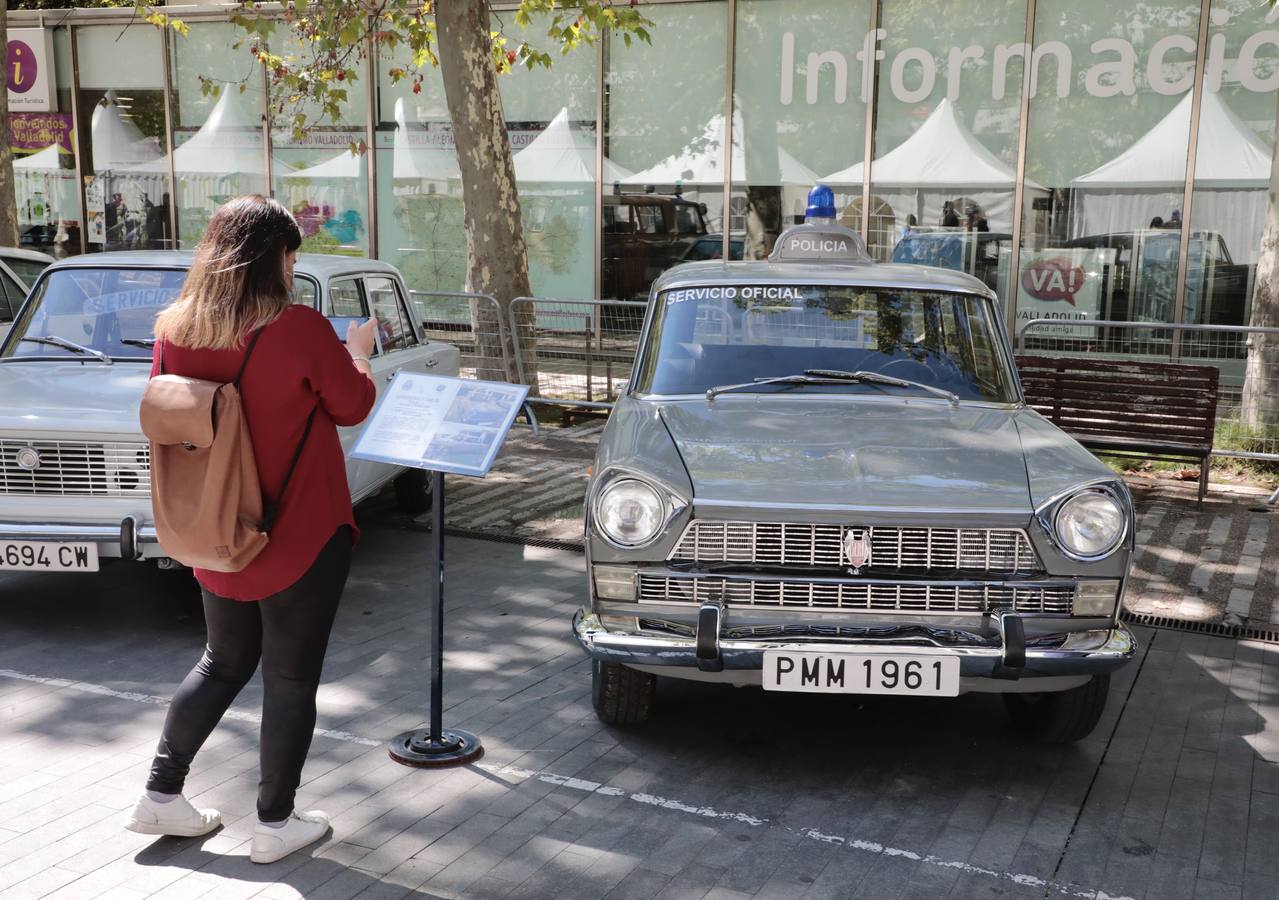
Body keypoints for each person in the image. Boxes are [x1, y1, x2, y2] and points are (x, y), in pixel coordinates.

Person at [124, 195, 378, 865]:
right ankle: (273, 823)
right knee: (290, 679)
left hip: (215, 526)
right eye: (291, 254)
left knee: (220, 660)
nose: (295, 267)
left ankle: (161, 795)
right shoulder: (298, 328)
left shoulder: (175, 329)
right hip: (298, 530)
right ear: (273, 260)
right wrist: (357, 354)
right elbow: (351, 406)